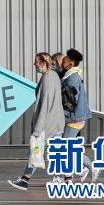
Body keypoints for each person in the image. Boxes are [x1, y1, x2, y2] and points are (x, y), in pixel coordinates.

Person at [7, 52, 65, 190]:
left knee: (36, 150)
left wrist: (38, 128)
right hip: (56, 121)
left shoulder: (47, 79)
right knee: (52, 152)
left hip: (47, 123)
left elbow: (45, 104)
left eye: (37, 62)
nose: (35, 64)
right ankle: (61, 178)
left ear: (44, 63)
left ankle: (25, 180)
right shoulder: (53, 76)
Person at [60, 48, 100, 182]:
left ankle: (90, 166)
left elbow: (70, 101)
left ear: (70, 63)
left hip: (73, 118)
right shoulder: (70, 75)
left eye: (64, 61)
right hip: (74, 118)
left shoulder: (72, 78)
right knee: (68, 148)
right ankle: (74, 173)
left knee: (66, 148)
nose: (61, 63)